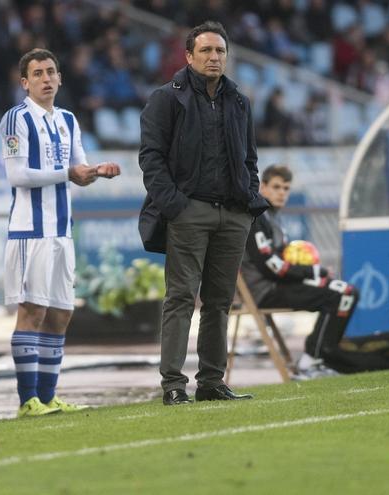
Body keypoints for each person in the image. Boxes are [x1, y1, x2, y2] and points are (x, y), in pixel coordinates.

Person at [139, 21, 269, 406]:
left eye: (220, 51)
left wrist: (248, 199)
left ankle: (211, 381)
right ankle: (173, 384)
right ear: (189, 56)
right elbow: (151, 159)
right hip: (189, 211)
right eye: (206, 50)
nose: (214, 57)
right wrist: (176, 207)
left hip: (232, 214)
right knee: (181, 298)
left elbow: (249, 158)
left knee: (219, 302)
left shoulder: (239, 100)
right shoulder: (166, 98)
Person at [0, 48, 120, 417]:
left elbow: (79, 170)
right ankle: (27, 401)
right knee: (33, 311)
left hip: (62, 230)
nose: (46, 79)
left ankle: (48, 397)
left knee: (61, 313)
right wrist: (69, 174)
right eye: (37, 73)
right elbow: (17, 176)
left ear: (60, 78)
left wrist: (96, 171)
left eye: (51, 71)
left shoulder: (68, 119)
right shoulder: (16, 119)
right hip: (30, 232)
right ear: (25, 82)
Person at [241, 164, 359, 378]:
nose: (282, 193)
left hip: (279, 285)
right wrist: (313, 272)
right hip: (265, 290)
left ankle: (318, 359)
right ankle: (311, 363)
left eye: (286, 188)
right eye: (276, 187)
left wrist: (315, 272)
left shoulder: (272, 218)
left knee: (346, 292)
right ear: (263, 187)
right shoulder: (256, 217)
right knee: (343, 294)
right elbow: (271, 267)